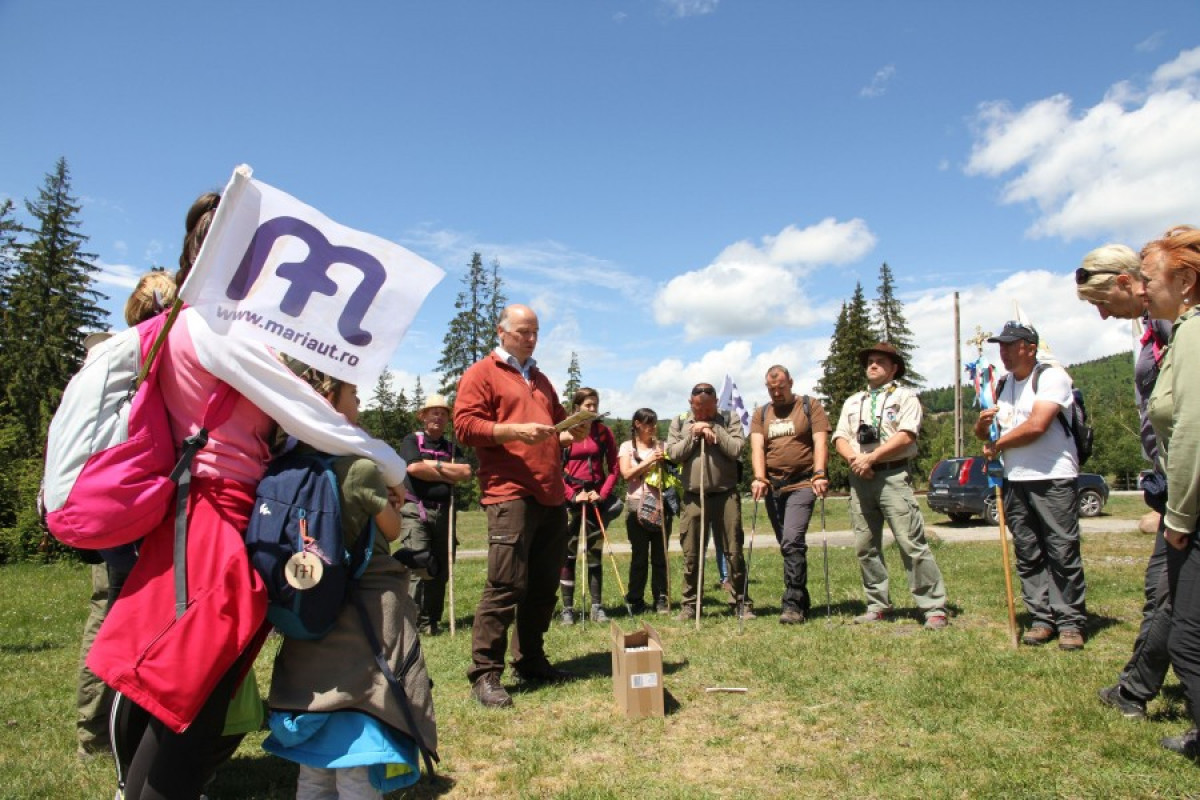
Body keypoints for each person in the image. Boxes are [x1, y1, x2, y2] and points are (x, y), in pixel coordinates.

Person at [87, 192, 412, 800]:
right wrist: (391, 466)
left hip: (217, 513)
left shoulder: (210, 325)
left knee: (191, 694)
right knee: (191, 697)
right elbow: (306, 413)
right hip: (211, 516)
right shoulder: (212, 327)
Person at [266, 363, 437, 799]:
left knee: (313, 769)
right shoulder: (359, 469)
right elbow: (392, 530)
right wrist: (394, 498)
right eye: (354, 395)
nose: (359, 403)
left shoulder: (282, 465)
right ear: (329, 400)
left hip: (306, 613)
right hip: (363, 617)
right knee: (356, 762)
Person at [454, 303, 585, 709]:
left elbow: (558, 427)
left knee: (543, 585)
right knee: (506, 584)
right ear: (502, 332)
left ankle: (530, 660)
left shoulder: (541, 380)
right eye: (523, 331)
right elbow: (465, 426)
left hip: (551, 492)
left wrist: (575, 428)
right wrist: (513, 431)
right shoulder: (482, 373)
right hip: (509, 491)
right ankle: (485, 673)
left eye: (535, 332)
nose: (531, 338)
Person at [75, 270, 177, 759]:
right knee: (138, 618)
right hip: (144, 511)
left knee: (108, 611)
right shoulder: (156, 361)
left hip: (106, 507)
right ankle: (128, 731)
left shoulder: (105, 359)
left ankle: (96, 731)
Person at [1077, 244, 1175, 717]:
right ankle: (1135, 687)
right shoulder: (1157, 325)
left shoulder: (1176, 324)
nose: (1102, 315)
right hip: (1172, 481)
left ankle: (1134, 690)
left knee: (1168, 591)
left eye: (1102, 302)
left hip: (1185, 482)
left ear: (1123, 282)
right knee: (1168, 591)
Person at [974, 322, 1086, 650]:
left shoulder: (1051, 377)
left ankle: (1069, 622)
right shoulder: (1002, 384)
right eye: (1001, 346)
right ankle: (1041, 618)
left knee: (1061, 549)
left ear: (1031, 348)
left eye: (1011, 345)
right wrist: (982, 427)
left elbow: (1038, 425)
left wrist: (998, 444)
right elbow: (987, 435)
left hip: (1052, 476)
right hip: (1014, 479)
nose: (1004, 352)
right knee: (1028, 550)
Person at [833, 343, 949, 630]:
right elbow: (840, 437)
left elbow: (907, 435)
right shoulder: (854, 401)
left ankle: (933, 607)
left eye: (879, 361)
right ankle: (877, 605)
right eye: (869, 361)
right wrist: (856, 460)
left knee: (910, 542)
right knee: (865, 545)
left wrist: (871, 458)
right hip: (860, 478)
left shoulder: (905, 397)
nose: (872, 365)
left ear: (894, 368)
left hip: (893, 476)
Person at [1141, 226, 1200, 760]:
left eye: (1149, 279)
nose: (1142, 289)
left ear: (1184, 281)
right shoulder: (1183, 333)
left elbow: (1192, 433)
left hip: (1194, 515)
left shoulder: (1195, 334)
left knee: (1189, 639)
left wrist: (1178, 517)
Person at [750, 365, 832, 624]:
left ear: (791, 383)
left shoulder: (809, 406)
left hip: (803, 483)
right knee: (787, 545)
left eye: (781, 387)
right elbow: (757, 447)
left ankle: (792, 605)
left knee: (792, 540)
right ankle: (802, 599)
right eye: (771, 389)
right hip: (774, 487)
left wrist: (820, 473)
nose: (776, 393)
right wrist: (759, 478)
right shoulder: (762, 413)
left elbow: (820, 441)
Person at [666, 382, 750, 620]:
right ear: (690, 403)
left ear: (716, 403)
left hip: (725, 495)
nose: (701, 413)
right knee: (691, 553)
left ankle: (741, 602)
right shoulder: (679, 422)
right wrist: (695, 434)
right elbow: (673, 454)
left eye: (707, 408)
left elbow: (736, 449)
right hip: (693, 497)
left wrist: (714, 429)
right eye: (697, 408)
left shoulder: (729, 419)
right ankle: (690, 604)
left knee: (733, 550)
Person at [399, 394, 472, 635]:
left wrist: (431, 465)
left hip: (444, 512)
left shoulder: (451, 448)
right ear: (423, 416)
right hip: (416, 509)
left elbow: (466, 472)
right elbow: (413, 467)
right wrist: (446, 471)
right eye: (434, 412)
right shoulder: (412, 440)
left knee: (440, 567)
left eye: (443, 413)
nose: (439, 417)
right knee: (419, 563)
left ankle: (431, 621)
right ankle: (412, 620)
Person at [559, 387, 622, 624]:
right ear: (577, 408)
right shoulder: (565, 433)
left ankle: (597, 607)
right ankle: (567, 609)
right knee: (568, 554)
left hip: (595, 499)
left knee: (595, 553)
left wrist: (602, 494)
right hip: (571, 499)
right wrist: (572, 496)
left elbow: (614, 468)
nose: (593, 409)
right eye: (588, 405)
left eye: (595, 405)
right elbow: (553, 468)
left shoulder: (603, 432)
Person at [619, 407, 670, 614]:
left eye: (655, 423)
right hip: (636, 504)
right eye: (649, 423)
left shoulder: (663, 446)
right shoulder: (627, 447)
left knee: (660, 555)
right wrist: (649, 461)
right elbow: (626, 474)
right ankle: (636, 598)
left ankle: (661, 598)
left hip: (660, 505)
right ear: (637, 424)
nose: (653, 427)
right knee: (639, 556)